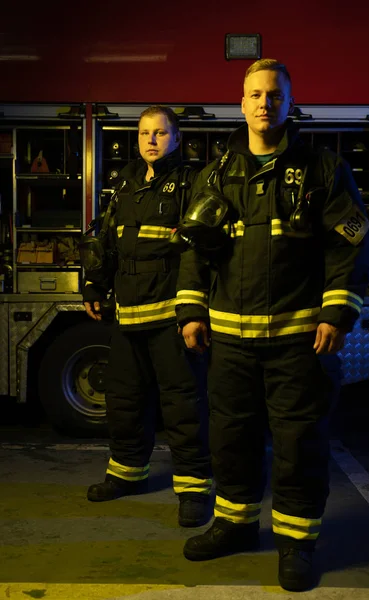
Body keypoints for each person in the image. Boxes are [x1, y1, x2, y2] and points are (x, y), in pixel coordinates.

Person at [174, 59, 369, 590]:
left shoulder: (324, 171)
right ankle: (235, 526)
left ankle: (296, 542)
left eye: (275, 96)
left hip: (297, 341)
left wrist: (336, 311)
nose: (265, 104)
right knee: (231, 438)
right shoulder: (216, 174)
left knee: (298, 442)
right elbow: (194, 251)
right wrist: (190, 310)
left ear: (289, 102)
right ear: (241, 103)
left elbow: (350, 241)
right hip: (231, 343)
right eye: (256, 95)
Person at [82, 105, 212, 528]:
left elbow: (199, 249)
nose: (151, 141)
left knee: (182, 405)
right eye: (144, 133)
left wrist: (193, 311)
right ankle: (127, 474)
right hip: (127, 315)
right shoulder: (126, 182)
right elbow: (106, 238)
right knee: (124, 401)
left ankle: (193, 488)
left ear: (176, 138)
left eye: (160, 133)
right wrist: (94, 284)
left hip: (170, 316)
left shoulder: (193, 182)